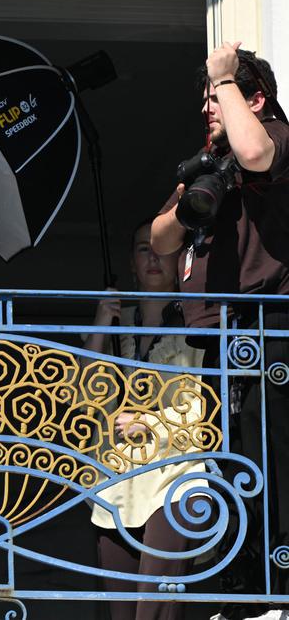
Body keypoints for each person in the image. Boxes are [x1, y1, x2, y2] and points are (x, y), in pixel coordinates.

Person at [152, 43, 289, 620]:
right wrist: (188, 212)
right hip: (218, 339)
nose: (209, 107)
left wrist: (225, 76)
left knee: (274, 464)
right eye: (207, 98)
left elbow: (255, 149)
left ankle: (279, 587)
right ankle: (245, 585)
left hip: (269, 329)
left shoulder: (275, 137)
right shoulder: (208, 161)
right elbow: (159, 240)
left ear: (253, 97)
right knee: (230, 467)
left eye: (219, 97)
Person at [85, 219, 210, 620]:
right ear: (132, 264)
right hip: (117, 483)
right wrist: (101, 326)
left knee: (153, 612)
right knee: (122, 614)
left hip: (176, 476)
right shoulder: (121, 327)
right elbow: (81, 400)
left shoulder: (197, 323)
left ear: (181, 260)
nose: (153, 256)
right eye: (143, 249)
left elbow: (204, 403)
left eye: (162, 248)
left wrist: (149, 423)